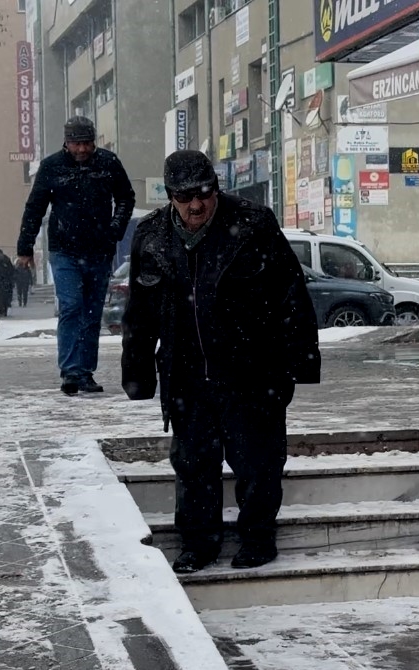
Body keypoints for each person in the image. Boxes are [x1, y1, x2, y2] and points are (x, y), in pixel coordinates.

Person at [121, 150, 320, 574]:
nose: (197, 205)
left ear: (217, 186)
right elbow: (141, 311)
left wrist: (300, 359)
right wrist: (136, 370)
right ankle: (199, 543)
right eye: (184, 196)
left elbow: (291, 293)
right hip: (187, 374)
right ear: (170, 196)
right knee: (193, 465)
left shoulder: (252, 223)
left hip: (251, 370)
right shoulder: (152, 236)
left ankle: (257, 537)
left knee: (257, 461)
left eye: (205, 193)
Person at [17, 116, 136, 396]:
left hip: (99, 250)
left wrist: (116, 229)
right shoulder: (51, 168)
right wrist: (24, 248)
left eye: (87, 143)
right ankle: (70, 371)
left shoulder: (108, 163)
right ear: (66, 143)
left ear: (94, 142)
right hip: (64, 251)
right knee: (71, 306)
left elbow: (126, 197)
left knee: (93, 313)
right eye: (76, 144)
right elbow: (34, 208)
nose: (82, 149)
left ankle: (85, 373)